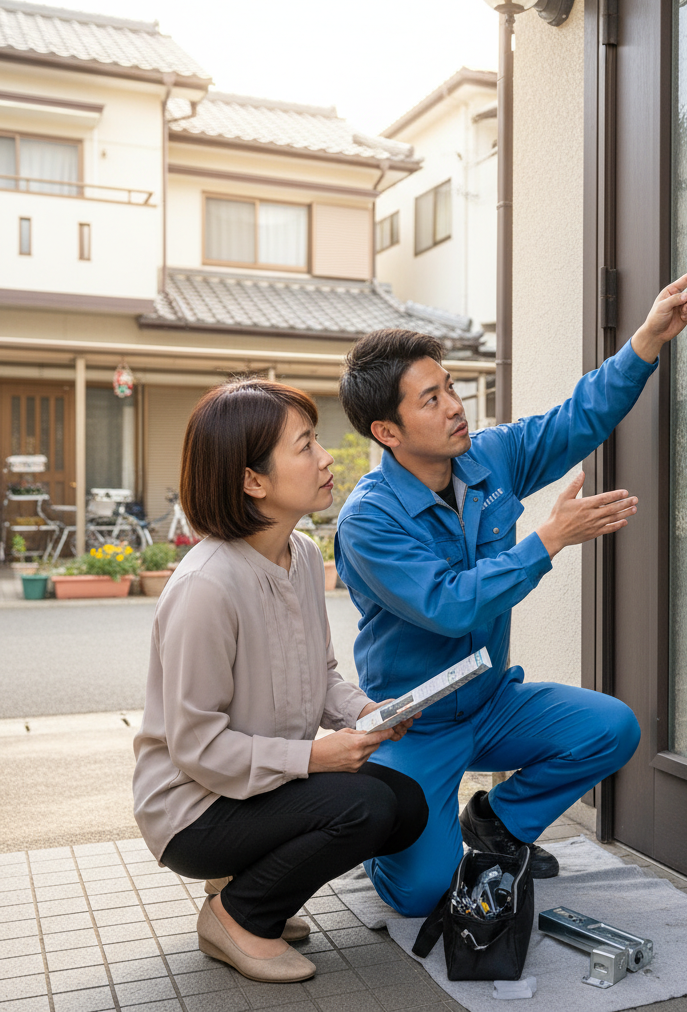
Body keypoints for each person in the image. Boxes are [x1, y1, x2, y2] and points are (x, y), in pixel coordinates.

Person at [335, 267, 687, 916]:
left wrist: (647, 339)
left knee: (611, 728)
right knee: (424, 894)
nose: (455, 406)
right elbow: (450, 606)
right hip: (414, 728)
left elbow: (576, 420)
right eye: (430, 400)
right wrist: (549, 539)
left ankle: (496, 825)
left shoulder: (489, 456)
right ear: (386, 432)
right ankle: (389, 832)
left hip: (490, 702)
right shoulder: (369, 519)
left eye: (449, 388)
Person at [132, 380, 427, 984]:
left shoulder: (298, 554)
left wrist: (368, 711)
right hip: (194, 806)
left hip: (257, 787)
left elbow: (318, 677)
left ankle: (244, 885)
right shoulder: (207, 586)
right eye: (305, 445)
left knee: (406, 803)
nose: (325, 458)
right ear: (252, 480)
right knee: (364, 806)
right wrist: (316, 757)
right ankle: (237, 915)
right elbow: (197, 748)